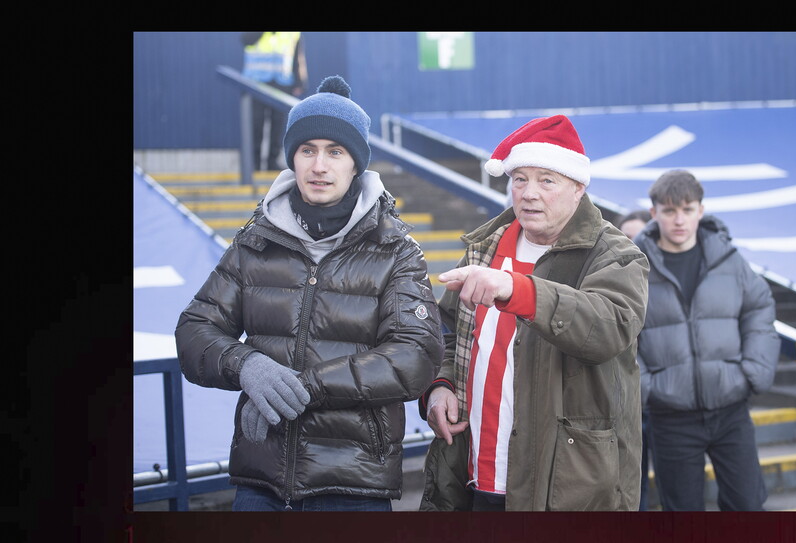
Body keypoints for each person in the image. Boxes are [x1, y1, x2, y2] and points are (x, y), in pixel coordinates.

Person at [175, 75, 443, 512]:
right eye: (307, 150)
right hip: (260, 481)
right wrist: (247, 366)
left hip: (354, 484)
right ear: (293, 159)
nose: (320, 166)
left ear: (356, 163)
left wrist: (306, 386)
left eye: (335, 152)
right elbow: (194, 330)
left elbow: (415, 356)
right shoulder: (254, 243)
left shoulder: (395, 251)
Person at [417, 115, 650, 511]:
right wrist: (439, 386)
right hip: (472, 472)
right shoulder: (486, 247)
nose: (528, 193)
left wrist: (518, 290)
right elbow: (448, 331)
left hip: (565, 487)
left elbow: (608, 326)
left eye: (547, 180)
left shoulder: (615, 254)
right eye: (519, 179)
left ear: (578, 188)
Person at [631, 169, 780, 511]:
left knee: (747, 504)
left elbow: (759, 307)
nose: (679, 220)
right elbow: (622, 331)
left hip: (731, 410)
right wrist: (647, 387)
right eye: (669, 211)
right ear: (654, 214)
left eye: (687, 209)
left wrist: (751, 371)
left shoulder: (728, 259)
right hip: (670, 415)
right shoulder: (635, 268)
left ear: (701, 210)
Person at [617, 208, 654, 511]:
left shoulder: (662, 280)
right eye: (626, 236)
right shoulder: (609, 280)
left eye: (639, 236)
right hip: (627, 401)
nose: (633, 242)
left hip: (663, 401)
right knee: (633, 485)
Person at [241, 32, 308, 170]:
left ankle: (273, 161)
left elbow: (297, 54)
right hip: (256, 80)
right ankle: (255, 162)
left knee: (278, 122)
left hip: (282, 81)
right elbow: (246, 40)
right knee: (256, 122)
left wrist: (300, 80)